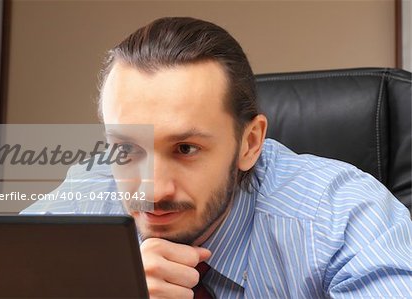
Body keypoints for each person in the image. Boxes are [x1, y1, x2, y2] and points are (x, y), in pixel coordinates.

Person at [21, 17, 412, 298]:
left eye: (186, 149)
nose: (153, 189)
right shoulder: (85, 200)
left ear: (250, 143)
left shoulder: (341, 213)